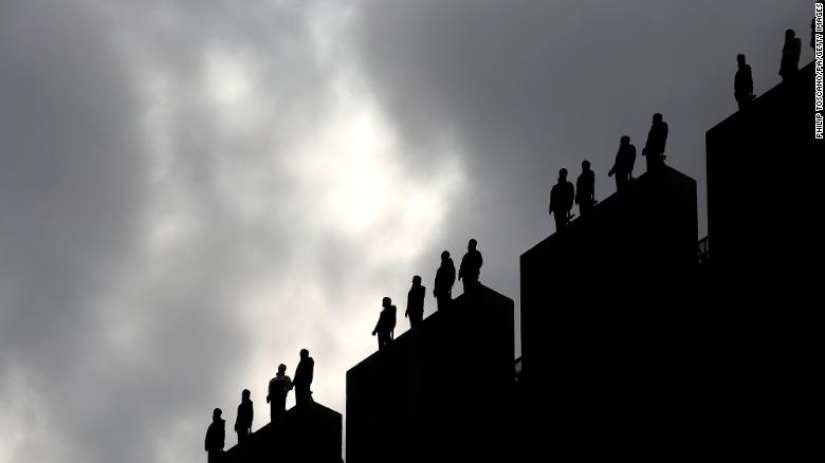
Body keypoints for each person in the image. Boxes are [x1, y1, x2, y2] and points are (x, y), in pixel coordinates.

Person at [549, 168, 575, 232]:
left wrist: (570, 204)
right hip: (557, 208)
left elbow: (571, 195)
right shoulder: (555, 187)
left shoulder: (569, 185)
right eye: (561, 173)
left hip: (564, 207)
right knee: (558, 224)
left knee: (562, 223)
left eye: (563, 173)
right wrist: (551, 206)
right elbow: (552, 198)